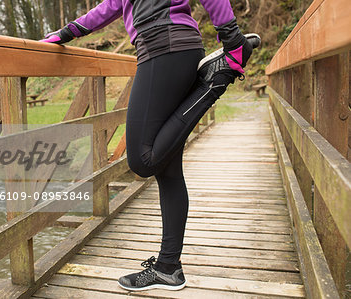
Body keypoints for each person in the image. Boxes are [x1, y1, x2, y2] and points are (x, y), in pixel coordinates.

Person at [39, 0, 259, 292]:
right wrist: (67, 32)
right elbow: (110, 7)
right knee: (167, 169)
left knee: (142, 161)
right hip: (172, 49)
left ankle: (215, 82)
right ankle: (168, 269)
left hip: (163, 48)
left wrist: (231, 37)